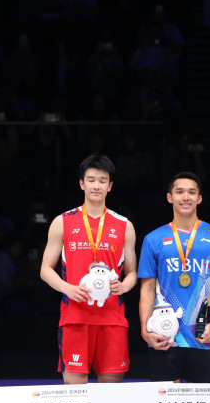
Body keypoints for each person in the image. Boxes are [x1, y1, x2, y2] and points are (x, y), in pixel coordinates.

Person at [40, 154, 138, 384]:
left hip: (112, 319)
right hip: (75, 318)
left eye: (102, 180)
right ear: (82, 183)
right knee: (77, 398)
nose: (96, 185)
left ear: (110, 186)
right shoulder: (62, 222)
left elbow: (133, 272)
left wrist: (124, 285)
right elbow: (45, 269)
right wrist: (67, 288)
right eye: (91, 180)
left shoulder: (124, 225)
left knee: (110, 398)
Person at [138, 172, 210, 383]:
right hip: (164, 335)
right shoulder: (153, 239)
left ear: (199, 198)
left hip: (204, 335)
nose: (186, 197)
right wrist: (146, 330)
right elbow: (146, 288)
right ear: (169, 197)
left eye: (192, 192)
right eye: (179, 192)